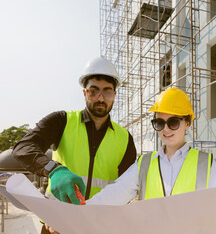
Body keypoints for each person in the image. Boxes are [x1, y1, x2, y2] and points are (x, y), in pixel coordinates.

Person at [87, 87, 216, 233]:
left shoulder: (205, 164)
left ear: (188, 123)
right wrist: (81, 211)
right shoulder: (145, 163)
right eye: (160, 123)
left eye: (173, 122)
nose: (166, 129)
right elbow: (115, 194)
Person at [12, 57, 137, 234]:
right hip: (56, 223)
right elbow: (23, 148)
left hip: (98, 226)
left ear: (114, 95)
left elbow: (127, 187)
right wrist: (53, 169)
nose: (100, 98)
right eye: (94, 91)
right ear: (85, 93)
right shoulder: (61, 121)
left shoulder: (124, 138)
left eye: (107, 92)